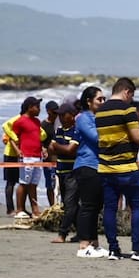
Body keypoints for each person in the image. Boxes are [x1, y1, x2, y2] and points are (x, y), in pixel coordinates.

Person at [96, 77, 139, 261]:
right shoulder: (127, 109)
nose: (131, 99)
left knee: (110, 209)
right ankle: (137, 248)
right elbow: (137, 138)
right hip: (127, 167)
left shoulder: (100, 111)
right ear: (127, 92)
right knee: (137, 206)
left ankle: (113, 249)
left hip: (106, 167)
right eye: (131, 95)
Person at [73, 86, 108, 258]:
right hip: (87, 165)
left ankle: (94, 243)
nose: (103, 102)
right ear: (89, 101)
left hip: (100, 166)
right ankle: (83, 245)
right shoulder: (82, 118)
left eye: (104, 99)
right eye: (99, 99)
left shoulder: (99, 117)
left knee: (96, 206)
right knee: (87, 206)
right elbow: (96, 138)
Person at [49, 102, 79, 244]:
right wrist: (59, 148)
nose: (59, 117)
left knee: (70, 203)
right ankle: (81, 232)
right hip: (61, 171)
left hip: (72, 173)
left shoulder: (76, 130)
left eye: (62, 114)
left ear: (71, 115)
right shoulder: (60, 129)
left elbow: (70, 151)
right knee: (70, 205)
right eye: (59, 114)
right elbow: (51, 148)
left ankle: (62, 234)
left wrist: (57, 147)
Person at [12, 96, 46, 218]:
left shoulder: (37, 121)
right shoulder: (20, 121)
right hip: (26, 156)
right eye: (37, 107)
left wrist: (42, 149)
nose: (39, 110)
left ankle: (34, 209)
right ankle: (19, 209)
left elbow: (37, 138)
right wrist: (17, 151)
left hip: (38, 156)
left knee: (34, 183)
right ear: (29, 107)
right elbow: (11, 138)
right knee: (23, 182)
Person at [1, 114, 21, 216]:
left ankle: (20, 208)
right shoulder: (17, 118)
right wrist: (15, 138)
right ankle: (10, 208)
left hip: (22, 154)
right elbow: (5, 125)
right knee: (10, 182)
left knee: (21, 182)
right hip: (10, 154)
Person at [40, 100, 59, 207]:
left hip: (59, 158)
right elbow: (40, 140)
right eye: (54, 112)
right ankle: (52, 205)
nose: (56, 115)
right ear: (48, 112)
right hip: (48, 160)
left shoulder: (59, 123)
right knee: (50, 184)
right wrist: (43, 149)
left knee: (59, 184)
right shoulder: (44, 125)